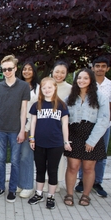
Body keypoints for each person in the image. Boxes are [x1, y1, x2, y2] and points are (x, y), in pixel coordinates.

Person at [75, 56, 111, 198]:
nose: (100, 68)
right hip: (82, 127)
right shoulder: (83, 83)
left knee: (99, 156)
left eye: (103, 66)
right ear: (93, 67)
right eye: (97, 66)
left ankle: (97, 182)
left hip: (103, 127)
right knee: (82, 153)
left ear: (107, 68)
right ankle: (82, 180)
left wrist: (102, 126)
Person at [63, 68, 110, 207]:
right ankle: (69, 193)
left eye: (85, 78)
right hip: (74, 134)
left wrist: (92, 141)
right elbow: (64, 118)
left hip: (92, 134)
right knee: (72, 166)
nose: (81, 81)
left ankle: (86, 195)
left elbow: (104, 120)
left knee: (89, 168)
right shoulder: (70, 98)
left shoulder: (100, 97)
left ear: (91, 80)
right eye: (79, 78)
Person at [0, 55, 30, 203]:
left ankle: (12, 189)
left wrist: (22, 131)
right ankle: (1, 187)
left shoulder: (23, 86)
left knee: (15, 161)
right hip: (0, 128)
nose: (7, 72)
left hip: (15, 130)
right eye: (4, 69)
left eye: (9, 69)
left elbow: (24, 110)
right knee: (0, 160)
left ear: (15, 69)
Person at [27, 77, 71, 210]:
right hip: (39, 143)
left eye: (49, 87)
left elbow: (64, 125)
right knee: (40, 169)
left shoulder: (62, 105)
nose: (47, 90)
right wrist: (32, 138)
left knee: (53, 170)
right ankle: (39, 193)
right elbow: (33, 123)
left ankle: (51, 196)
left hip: (56, 144)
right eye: (44, 88)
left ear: (55, 88)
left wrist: (66, 141)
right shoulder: (37, 105)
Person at [18, 61, 40, 199]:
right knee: (18, 155)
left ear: (34, 71)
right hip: (16, 124)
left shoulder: (38, 88)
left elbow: (36, 110)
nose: (26, 71)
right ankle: (20, 182)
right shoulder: (18, 86)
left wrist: (25, 128)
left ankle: (27, 185)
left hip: (31, 125)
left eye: (29, 69)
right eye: (24, 69)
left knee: (26, 156)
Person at [51, 60, 72, 191]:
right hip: (45, 126)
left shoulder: (70, 89)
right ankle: (46, 179)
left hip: (61, 127)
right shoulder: (46, 84)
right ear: (52, 71)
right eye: (57, 71)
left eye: (62, 72)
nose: (59, 74)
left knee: (59, 157)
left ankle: (56, 181)